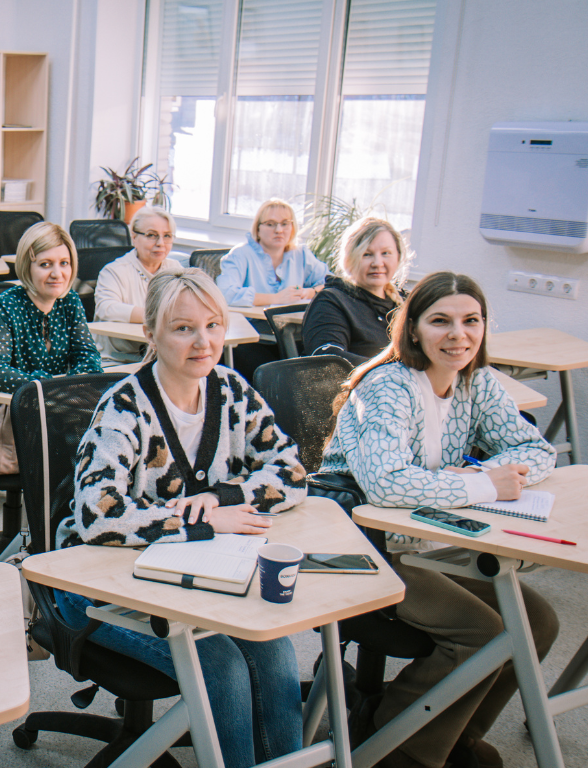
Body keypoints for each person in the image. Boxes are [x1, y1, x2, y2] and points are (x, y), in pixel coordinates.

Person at [56, 267, 307, 768]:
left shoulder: (231, 391)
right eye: (183, 328)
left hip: (199, 578)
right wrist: (200, 523)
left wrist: (225, 495)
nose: (203, 341)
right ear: (151, 333)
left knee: (276, 653)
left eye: (213, 325)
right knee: (223, 668)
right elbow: (96, 519)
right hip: (98, 587)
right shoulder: (123, 408)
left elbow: (293, 472)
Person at [318, 271, 559, 768]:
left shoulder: (477, 381)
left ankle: (454, 739)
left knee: (537, 621)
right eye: (440, 321)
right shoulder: (385, 387)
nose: (458, 334)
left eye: (471, 321)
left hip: (427, 536)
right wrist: (482, 484)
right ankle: (398, 751)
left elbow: (536, 448)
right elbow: (386, 485)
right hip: (360, 544)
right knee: (486, 633)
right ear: (413, 330)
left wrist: (487, 470)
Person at [0, 222, 101, 473]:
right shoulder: (6, 306)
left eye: (64, 263)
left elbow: (88, 356)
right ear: (27, 267)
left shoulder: (70, 301)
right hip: (18, 407)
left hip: (60, 404)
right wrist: (43, 386)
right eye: (45, 264)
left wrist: (67, 387)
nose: (57, 273)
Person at [216, 198, 329, 377]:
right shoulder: (240, 255)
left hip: (295, 336)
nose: (279, 230)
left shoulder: (301, 254)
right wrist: (275, 299)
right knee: (282, 377)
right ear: (258, 229)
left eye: (285, 224)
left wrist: (311, 292)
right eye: (270, 224)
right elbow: (224, 293)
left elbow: (330, 283)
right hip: (254, 339)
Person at [302, 217, 410, 366]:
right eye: (367, 254)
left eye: (386, 253)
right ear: (348, 260)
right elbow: (328, 360)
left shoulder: (408, 302)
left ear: (398, 257)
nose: (378, 263)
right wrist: (391, 370)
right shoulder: (331, 301)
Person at [94, 205, 184, 363]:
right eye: (152, 235)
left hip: (161, 359)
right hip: (117, 360)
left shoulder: (175, 269)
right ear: (134, 237)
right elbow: (106, 308)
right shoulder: (114, 271)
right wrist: (157, 316)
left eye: (167, 236)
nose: (160, 243)